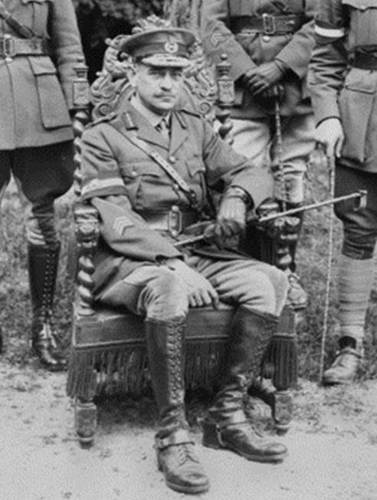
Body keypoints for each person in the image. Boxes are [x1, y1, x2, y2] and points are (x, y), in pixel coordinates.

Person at [81, 23, 289, 495]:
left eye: (176, 73)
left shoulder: (195, 129)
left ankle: (226, 415)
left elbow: (251, 170)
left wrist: (237, 196)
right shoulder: (103, 137)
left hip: (197, 251)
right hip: (130, 262)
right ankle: (172, 433)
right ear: (133, 72)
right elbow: (114, 217)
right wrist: (171, 262)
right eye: (156, 72)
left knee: (268, 282)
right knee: (170, 287)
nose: (167, 83)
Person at [200, 0, 318, 308]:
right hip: (242, 90)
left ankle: (286, 270)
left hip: (295, 86)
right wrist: (247, 72)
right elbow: (212, 25)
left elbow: (321, 22)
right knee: (245, 175)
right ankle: (251, 270)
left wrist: (281, 67)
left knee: (290, 178)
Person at [0, 0, 85, 370]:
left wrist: (74, 102)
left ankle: (43, 325)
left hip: (38, 98)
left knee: (42, 213)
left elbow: (68, 45)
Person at [309, 0, 377, 385]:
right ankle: (350, 344)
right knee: (359, 227)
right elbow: (324, 60)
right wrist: (329, 116)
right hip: (362, 119)